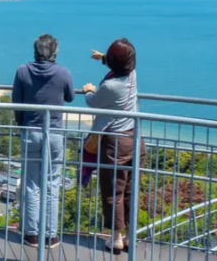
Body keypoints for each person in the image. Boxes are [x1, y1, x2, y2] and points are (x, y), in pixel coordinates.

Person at [82, 38, 146, 255]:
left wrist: (88, 90)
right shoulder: (132, 75)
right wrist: (103, 58)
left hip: (116, 143)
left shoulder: (109, 86)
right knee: (131, 189)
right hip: (135, 139)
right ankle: (129, 237)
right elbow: (121, 66)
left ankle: (116, 239)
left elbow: (92, 102)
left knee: (113, 190)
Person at [12, 34, 74, 249]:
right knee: (52, 185)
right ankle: (50, 236)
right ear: (54, 52)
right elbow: (70, 96)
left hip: (30, 132)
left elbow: (17, 104)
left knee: (31, 185)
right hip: (54, 133)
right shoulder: (63, 72)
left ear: (35, 50)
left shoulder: (22, 71)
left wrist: (21, 126)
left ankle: (31, 235)